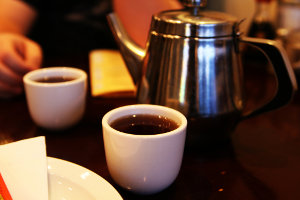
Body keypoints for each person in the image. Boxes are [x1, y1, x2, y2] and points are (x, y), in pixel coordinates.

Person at [0, 0, 182, 98]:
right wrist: (6, 43)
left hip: (126, 105)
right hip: (44, 97)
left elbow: (168, 52)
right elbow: (7, 22)